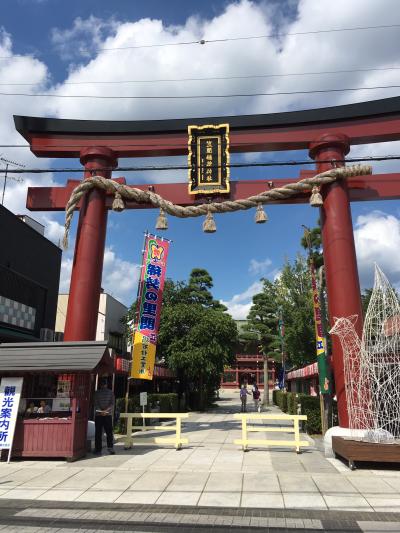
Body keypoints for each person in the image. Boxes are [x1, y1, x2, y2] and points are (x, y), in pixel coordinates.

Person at [94, 378, 115, 455]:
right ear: (106, 384)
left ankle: (98, 450)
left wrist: (101, 411)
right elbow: (112, 404)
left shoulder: (96, 393)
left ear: (100, 384)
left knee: (98, 433)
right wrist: (106, 411)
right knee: (109, 432)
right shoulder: (111, 393)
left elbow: (95, 404)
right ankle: (110, 448)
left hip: (98, 415)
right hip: (108, 415)